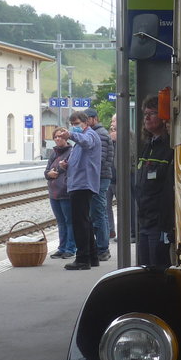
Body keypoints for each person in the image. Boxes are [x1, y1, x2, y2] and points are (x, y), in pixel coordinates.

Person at [135, 95, 175, 269]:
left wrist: (166, 224)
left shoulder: (169, 148)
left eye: (152, 113)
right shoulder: (147, 146)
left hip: (159, 223)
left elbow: (168, 189)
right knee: (145, 267)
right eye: (145, 114)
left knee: (158, 268)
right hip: (145, 221)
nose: (147, 118)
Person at [65, 110, 102, 270]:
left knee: (80, 223)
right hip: (80, 183)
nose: (74, 127)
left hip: (82, 184)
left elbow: (86, 142)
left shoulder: (90, 135)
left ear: (86, 123)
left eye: (77, 124)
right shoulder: (83, 138)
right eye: (72, 125)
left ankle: (82, 259)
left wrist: (71, 135)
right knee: (85, 221)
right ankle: (92, 257)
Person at [86, 108, 114, 261]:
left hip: (99, 178)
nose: (84, 123)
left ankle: (103, 249)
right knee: (96, 212)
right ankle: (100, 247)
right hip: (97, 178)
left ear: (94, 119)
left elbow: (98, 159)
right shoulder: (97, 133)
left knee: (98, 213)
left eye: (86, 120)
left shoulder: (100, 135)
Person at [44, 127, 75, 259]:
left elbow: (64, 169)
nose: (58, 139)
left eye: (61, 136)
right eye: (56, 137)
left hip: (65, 191)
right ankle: (61, 248)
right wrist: (48, 174)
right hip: (54, 192)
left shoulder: (72, 151)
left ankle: (70, 248)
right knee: (61, 222)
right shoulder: (53, 153)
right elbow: (47, 171)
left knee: (69, 221)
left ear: (66, 138)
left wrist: (55, 171)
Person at [107, 114, 118, 240]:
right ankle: (110, 230)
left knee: (122, 207)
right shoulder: (108, 137)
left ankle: (124, 231)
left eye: (114, 120)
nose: (112, 123)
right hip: (108, 177)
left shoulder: (127, 136)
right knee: (106, 207)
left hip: (119, 178)